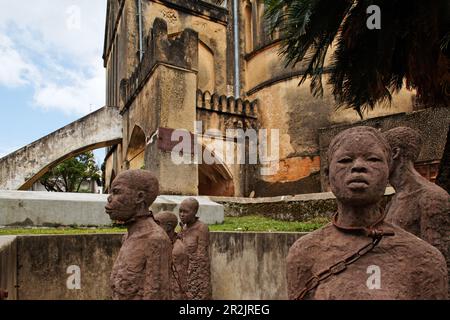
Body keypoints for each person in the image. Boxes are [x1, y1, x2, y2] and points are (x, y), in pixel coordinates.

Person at [286, 126, 448, 300]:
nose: (358, 167)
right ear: (327, 175)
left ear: (388, 172)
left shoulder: (426, 259)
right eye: (345, 160)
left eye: (372, 159)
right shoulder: (303, 253)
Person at [384, 127, 449, 294]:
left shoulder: (432, 197)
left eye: (377, 155)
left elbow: (439, 260)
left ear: (394, 153)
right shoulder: (392, 200)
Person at [105, 169, 172, 300]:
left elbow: (156, 293)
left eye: (116, 192)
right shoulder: (128, 237)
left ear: (139, 197)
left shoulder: (155, 240)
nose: (109, 198)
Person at [179, 198, 212, 300]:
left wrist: (194, 280)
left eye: (185, 212)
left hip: (197, 276)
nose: (181, 214)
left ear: (194, 212)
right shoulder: (183, 228)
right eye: (180, 211)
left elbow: (202, 256)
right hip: (182, 273)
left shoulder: (201, 228)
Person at [154, 211, 189, 300]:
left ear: (168, 227)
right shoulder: (164, 243)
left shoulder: (178, 249)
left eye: (157, 224)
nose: (154, 228)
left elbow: (180, 281)